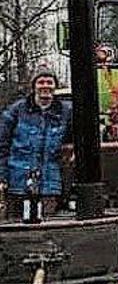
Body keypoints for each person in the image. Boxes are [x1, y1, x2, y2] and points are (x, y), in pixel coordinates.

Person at [0, 68, 72, 220]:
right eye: (41, 82)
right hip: (17, 182)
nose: (45, 86)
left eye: (49, 82)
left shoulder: (66, 113)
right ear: (34, 87)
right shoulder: (17, 110)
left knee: (47, 227)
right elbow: (2, 145)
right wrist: (2, 177)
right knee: (15, 226)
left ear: (55, 86)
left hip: (49, 184)